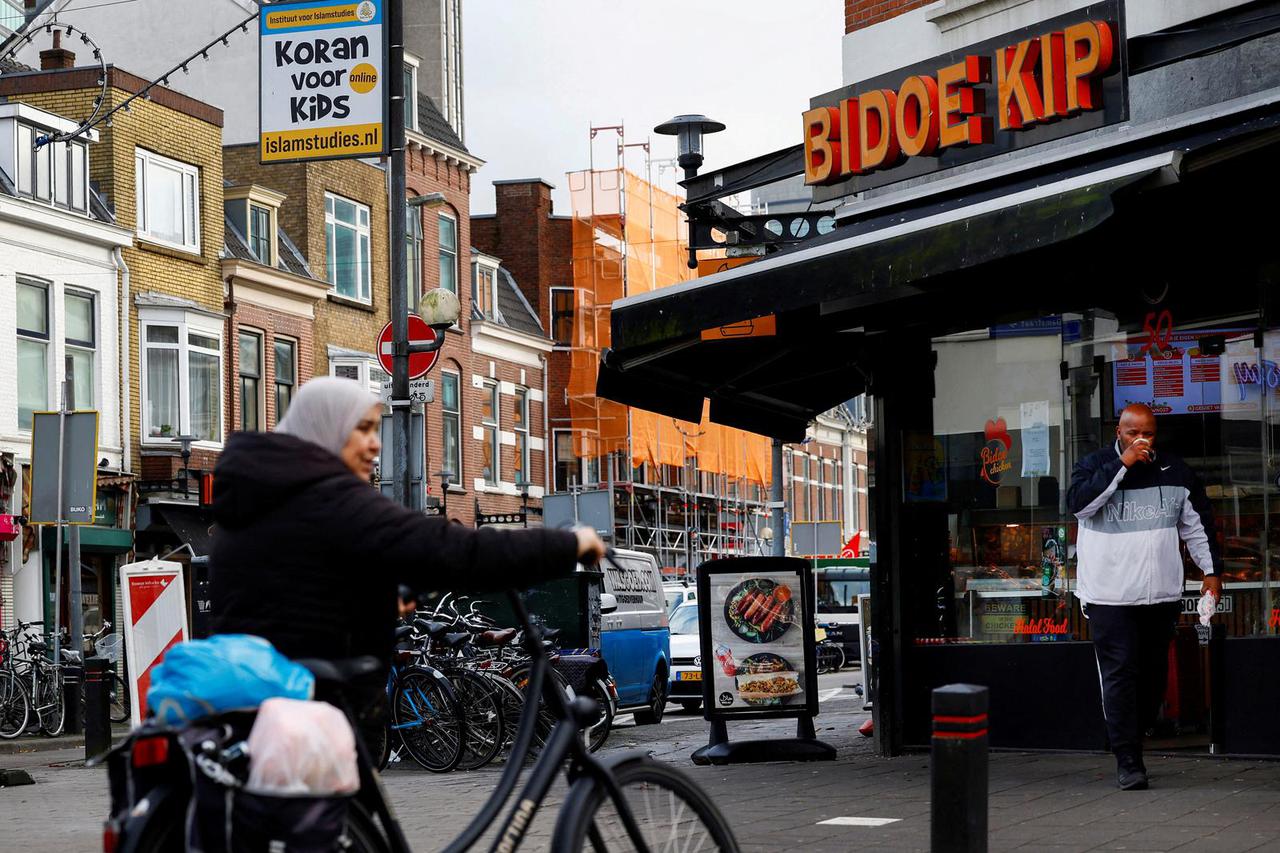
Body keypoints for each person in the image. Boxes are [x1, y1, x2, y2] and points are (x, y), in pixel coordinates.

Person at [209, 376, 605, 745]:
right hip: (318, 719)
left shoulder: (257, 502)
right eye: (362, 429)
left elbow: (291, 597)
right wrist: (566, 545)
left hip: (252, 708)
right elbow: (457, 551)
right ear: (326, 429)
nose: (375, 444)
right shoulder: (333, 501)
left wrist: (378, 601)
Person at [1067, 402, 1223, 791]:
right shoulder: (1093, 465)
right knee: (1120, 675)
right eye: (1133, 432)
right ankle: (1128, 759)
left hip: (1160, 595)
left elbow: (1197, 525)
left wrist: (1211, 573)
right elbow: (1080, 505)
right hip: (1109, 596)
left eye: (1149, 433)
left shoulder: (1176, 470)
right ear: (1118, 432)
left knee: (1152, 680)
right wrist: (1124, 463)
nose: (1142, 439)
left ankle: (1127, 736)